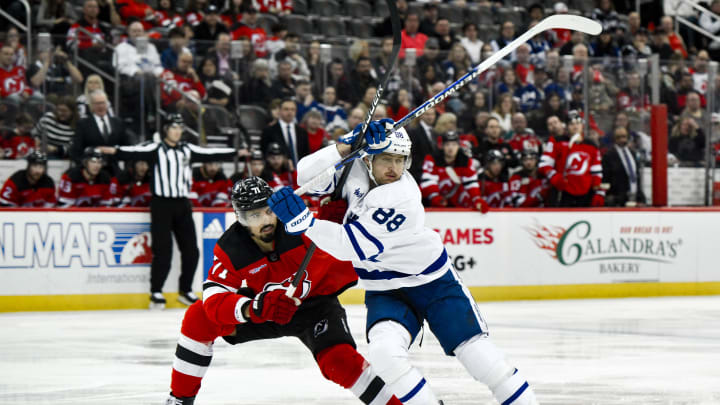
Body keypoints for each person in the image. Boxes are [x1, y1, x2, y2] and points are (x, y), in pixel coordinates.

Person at [268, 120, 539, 405]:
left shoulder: (403, 198)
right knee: (385, 355)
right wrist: (346, 144)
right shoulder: (355, 169)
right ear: (368, 157)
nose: (394, 169)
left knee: (480, 357)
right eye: (387, 159)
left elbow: (352, 246)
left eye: (400, 160)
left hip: (432, 284)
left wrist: (306, 223)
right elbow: (304, 175)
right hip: (385, 289)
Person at [165, 177, 403, 405]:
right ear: (240, 218)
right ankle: (179, 399)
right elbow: (214, 299)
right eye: (254, 215)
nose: (265, 220)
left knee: (340, 361)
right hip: (266, 311)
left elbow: (354, 239)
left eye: (268, 211)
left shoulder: (301, 227)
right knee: (199, 317)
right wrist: (253, 308)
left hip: (315, 308)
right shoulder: (231, 249)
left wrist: (334, 227)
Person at [96, 114, 245, 309]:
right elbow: (133, 152)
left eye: (180, 128)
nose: (177, 131)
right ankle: (156, 291)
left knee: (192, 250)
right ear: (166, 130)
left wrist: (235, 152)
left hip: (182, 204)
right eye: (173, 127)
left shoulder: (187, 149)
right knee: (162, 250)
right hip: (161, 205)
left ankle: (185, 290)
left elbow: (211, 153)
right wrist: (114, 151)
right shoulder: (156, 149)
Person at [538, 113, 605, 207]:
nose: (575, 126)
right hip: (563, 192)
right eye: (571, 123)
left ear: (582, 125)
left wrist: (598, 192)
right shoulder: (556, 141)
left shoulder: (591, 145)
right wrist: (555, 177)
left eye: (578, 123)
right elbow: (544, 165)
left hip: (586, 194)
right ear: (566, 126)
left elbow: (596, 172)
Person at [421, 131, 488, 212]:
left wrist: (477, 199)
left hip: (454, 201)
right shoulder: (433, 158)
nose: (450, 148)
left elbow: (471, 182)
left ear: (458, 146)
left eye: (454, 144)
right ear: (442, 146)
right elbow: (428, 181)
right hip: (429, 202)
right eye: (447, 144)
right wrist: (435, 196)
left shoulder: (465, 160)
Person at [70, 89, 133, 175]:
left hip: (114, 172)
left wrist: (115, 150)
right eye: (97, 103)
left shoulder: (118, 122)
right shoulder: (83, 124)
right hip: (91, 173)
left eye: (103, 103)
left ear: (107, 104)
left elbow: (127, 147)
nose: (101, 106)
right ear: (91, 105)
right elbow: (76, 151)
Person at [601, 126, 645, 207]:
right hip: (618, 199)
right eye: (618, 137)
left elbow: (636, 175)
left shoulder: (632, 153)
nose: (622, 140)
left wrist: (640, 196)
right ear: (614, 139)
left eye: (624, 136)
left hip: (634, 196)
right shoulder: (609, 155)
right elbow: (606, 177)